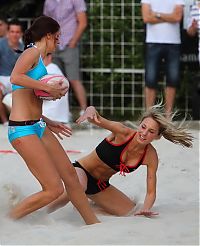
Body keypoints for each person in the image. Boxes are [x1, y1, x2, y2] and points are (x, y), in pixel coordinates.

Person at [8, 15, 99, 225]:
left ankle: (92, 223)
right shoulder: (31, 52)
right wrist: (47, 87)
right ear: (48, 35)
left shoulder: (39, 57)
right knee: (54, 189)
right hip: (22, 130)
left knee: (71, 177)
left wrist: (48, 121)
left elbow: (28, 99)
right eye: (57, 37)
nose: (59, 42)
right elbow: (15, 77)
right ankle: (7, 221)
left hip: (38, 124)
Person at [47, 104, 193, 217]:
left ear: (157, 136)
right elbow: (97, 118)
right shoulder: (122, 132)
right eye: (143, 127)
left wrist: (146, 209)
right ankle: (42, 212)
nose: (144, 133)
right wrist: (90, 110)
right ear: (139, 124)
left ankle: (86, 204)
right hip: (81, 171)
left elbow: (150, 192)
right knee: (78, 186)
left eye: (151, 131)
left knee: (130, 212)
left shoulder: (151, 156)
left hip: (100, 186)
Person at [141, 0, 185, 118]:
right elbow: (146, 17)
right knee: (150, 79)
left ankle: (168, 116)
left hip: (173, 42)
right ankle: (149, 115)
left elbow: (177, 17)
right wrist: (168, 16)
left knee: (172, 79)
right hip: (153, 41)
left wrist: (157, 14)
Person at [43, 0, 88, 115]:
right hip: (53, 45)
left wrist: (73, 42)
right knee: (55, 80)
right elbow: (45, 22)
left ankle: (85, 112)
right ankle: (61, 112)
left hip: (69, 44)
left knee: (74, 79)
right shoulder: (49, 1)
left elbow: (83, 22)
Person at [0, 18, 23, 124]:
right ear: (8, 33)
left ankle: (19, 121)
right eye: (12, 32)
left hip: (17, 79)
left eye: (17, 32)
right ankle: (5, 122)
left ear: (21, 33)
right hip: (2, 78)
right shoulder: (1, 44)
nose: (15, 34)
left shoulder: (24, 48)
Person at [42, 53, 70, 123]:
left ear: (49, 57)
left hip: (49, 116)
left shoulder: (49, 69)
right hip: (58, 116)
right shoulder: (54, 68)